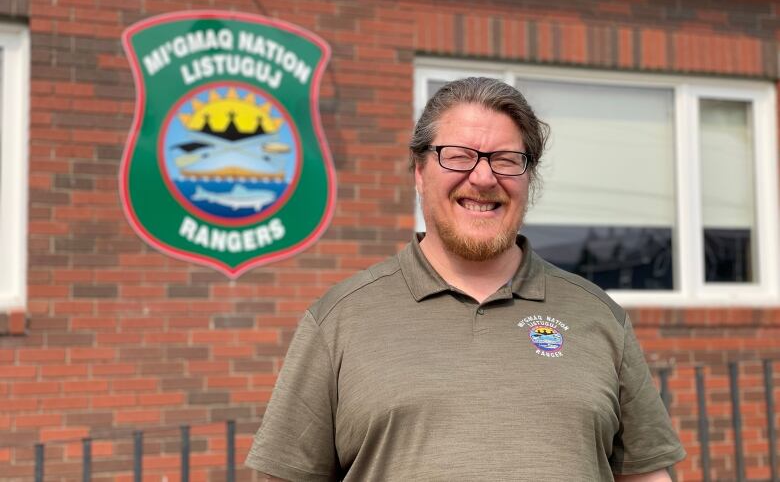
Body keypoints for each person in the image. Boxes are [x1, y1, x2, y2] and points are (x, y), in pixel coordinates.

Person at [245, 77, 685, 481]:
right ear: (419, 172)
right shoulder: (340, 320)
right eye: (458, 156)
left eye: (507, 160)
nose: (483, 177)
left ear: (529, 177)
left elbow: (645, 475)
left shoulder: (598, 315)